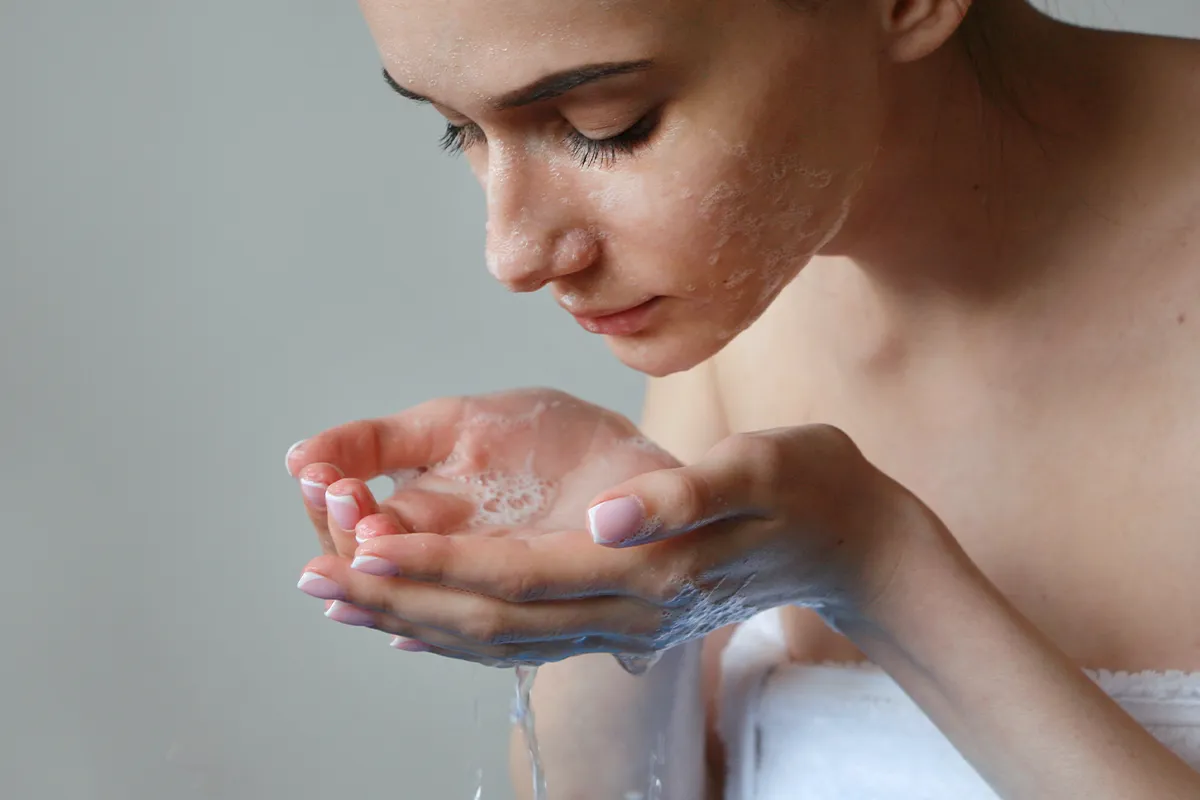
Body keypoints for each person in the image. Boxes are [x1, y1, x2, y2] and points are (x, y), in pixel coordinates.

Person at [286, 0, 1200, 797]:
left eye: (610, 125)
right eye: (460, 130)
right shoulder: (757, 277)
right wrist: (623, 584)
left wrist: (882, 573)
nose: (512, 255)